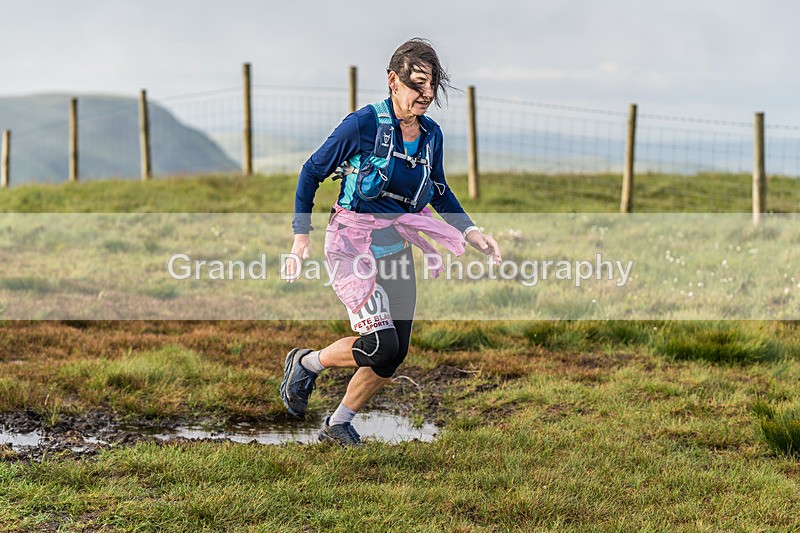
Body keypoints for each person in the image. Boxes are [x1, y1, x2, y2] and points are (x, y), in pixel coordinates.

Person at [280, 38, 501, 447]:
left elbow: (438, 189)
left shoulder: (431, 134)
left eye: (432, 84)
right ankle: (307, 363)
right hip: (352, 245)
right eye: (418, 84)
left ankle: (338, 423)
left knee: (395, 352)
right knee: (381, 344)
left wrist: (470, 231)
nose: (427, 94)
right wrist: (300, 237)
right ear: (393, 81)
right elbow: (310, 173)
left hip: (395, 248)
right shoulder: (362, 125)